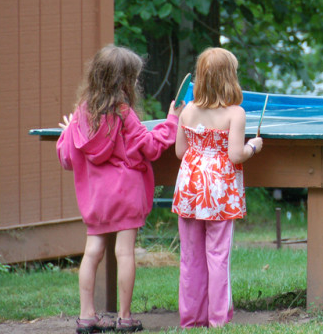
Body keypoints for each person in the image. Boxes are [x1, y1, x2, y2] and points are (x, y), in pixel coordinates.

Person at [57, 45, 181, 334]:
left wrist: (67, 131)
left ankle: (87, 316)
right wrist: (172, 120)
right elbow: (150, 147)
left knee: (92, 252)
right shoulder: (124, 113)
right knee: (125, 253)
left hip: (95, 198)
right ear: (123, 81)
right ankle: (125, 318)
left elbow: (66, 157)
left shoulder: (81, 114)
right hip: (126, 193)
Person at [171, 47, 264, 328]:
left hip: (189, 188)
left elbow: (179, 151)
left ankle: (191, 318)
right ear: (229, 78)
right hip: (219, 192)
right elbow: (236, 155)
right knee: (218, 255)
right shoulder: (236, 113)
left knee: (190, 258)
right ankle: (217, 319)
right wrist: (253, 146)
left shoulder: (187, 110)